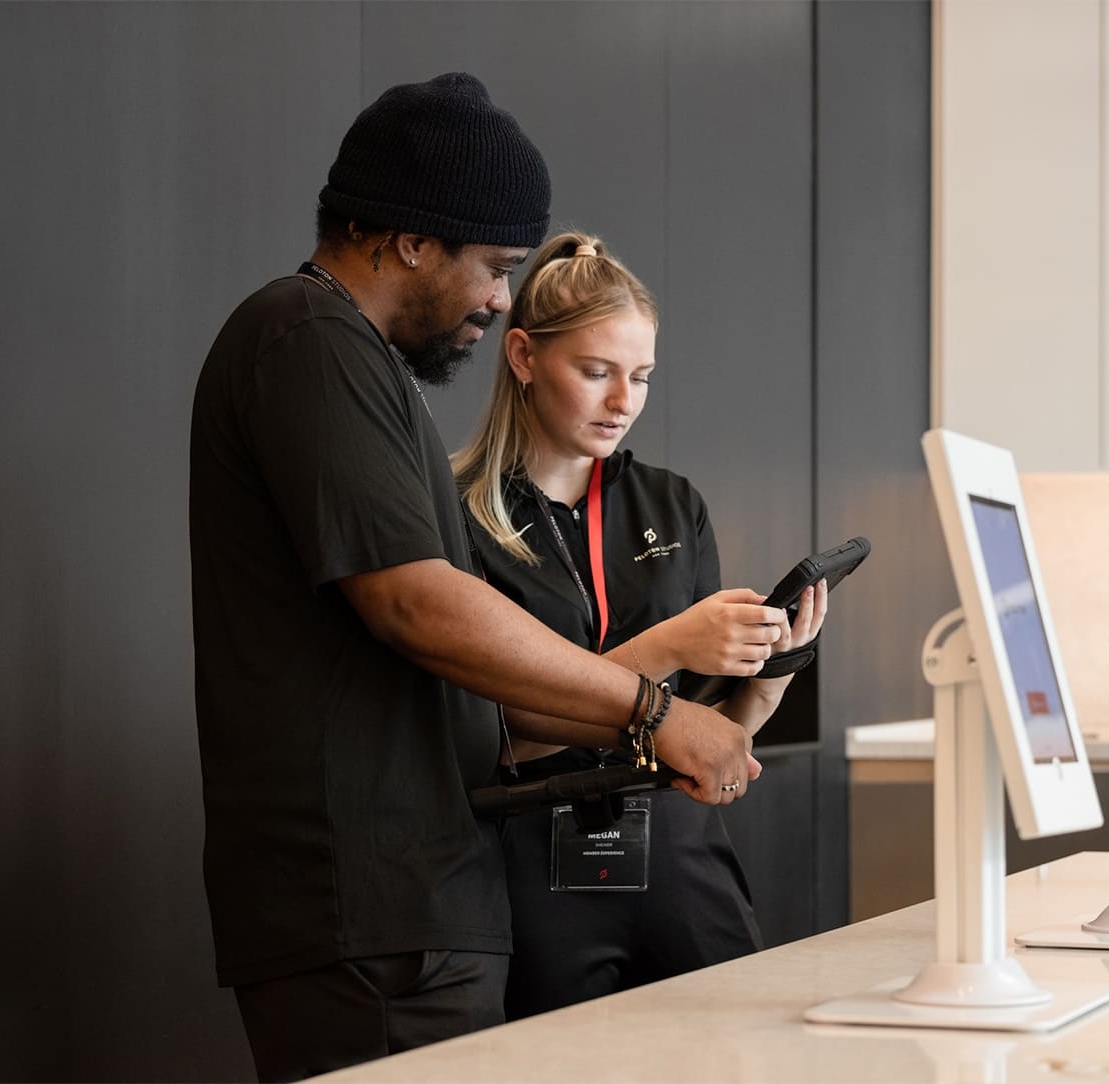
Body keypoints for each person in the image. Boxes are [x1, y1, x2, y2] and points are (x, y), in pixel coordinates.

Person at [188, 74, 762, 1083]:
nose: (501, 298)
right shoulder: (308, 337)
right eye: (492, 266)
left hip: (421, 912)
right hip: (369, 915)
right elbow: (416, 600)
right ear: (410, 239)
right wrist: (650, 708)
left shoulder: (359, 364)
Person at [451, 231, 828, 1018]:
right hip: (530, 861)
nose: (623, 401)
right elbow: (494, 738)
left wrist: (771, 673)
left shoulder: (672, 504)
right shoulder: (457, 515)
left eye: (642, 377)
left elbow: (717, 735)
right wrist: (673, 643)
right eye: (596, 373)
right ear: (522, 356)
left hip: (679, 854)